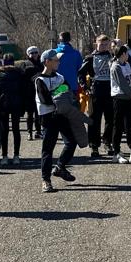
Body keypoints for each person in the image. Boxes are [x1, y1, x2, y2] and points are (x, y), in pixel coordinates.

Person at [34, 49, 79, 192]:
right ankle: (45, 180)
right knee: (48, 149)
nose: (58, 62)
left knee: (72, 141)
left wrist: (57, 94)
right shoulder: (39, 80)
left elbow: (68, 89)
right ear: (47, 62)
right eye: (55, 60)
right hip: (48, 117)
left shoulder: (59, 76)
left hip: (62, 115)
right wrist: (59, 94)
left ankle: (60, 167)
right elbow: (45, 99)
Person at [79, 34, 114, 158]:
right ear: (96, 44)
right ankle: (94, 145)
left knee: (111, 119)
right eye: (101, 44)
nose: (104, 46)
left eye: (106, 44)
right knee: (94, 119)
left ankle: (108, 142)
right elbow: (81, 74)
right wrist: (85, 88)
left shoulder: (113, 57)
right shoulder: (90, 58)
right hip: (96, 91)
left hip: (110, 91)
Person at [0, 53, 26, 165]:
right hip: (16, 103)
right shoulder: (19, 73)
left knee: (4, 130)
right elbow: (23, 91)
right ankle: (16, 155)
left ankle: (4, 156)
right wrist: (23, 106)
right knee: (16, 130)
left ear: (3, 62)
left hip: (3, 104)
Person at [109, 45, 131, 163]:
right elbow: (122, 84)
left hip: (128, 99)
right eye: (126, 53)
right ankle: (116, 152)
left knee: (130, 126)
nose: (128, 55)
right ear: (122, 54)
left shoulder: (127, 64)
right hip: (119, 98)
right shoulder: (115, 67)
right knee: (117, 126)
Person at [19, 46, 42, 141]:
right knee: (29, 114)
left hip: (39, 92)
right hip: (28, 92)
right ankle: (29, 132)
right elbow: (21, 78)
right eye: (32, 53)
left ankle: (38, 131)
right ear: (28, 54)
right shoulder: (25, 64)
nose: (34, 54)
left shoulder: (41, 64)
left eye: (36, 52)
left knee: (38, 113)